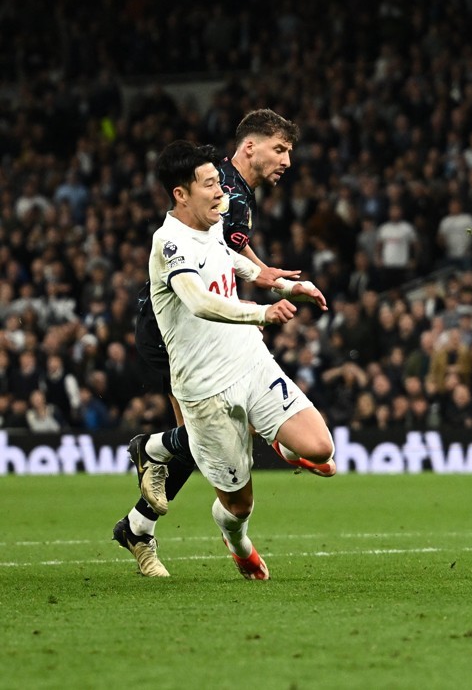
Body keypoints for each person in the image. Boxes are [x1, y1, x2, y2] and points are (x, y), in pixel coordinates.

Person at [113, 111, 329, 577]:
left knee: (211, 442)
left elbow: (224, 249)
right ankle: (152, 466)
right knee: (201, 441)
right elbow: (197, 290)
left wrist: (265, 275)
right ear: (249, 147)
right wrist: (263, 305)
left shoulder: (227, 197)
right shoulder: (214, 196)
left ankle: (138, 524)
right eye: (280, 149)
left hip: (226, 337)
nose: (288, 160)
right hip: (174, 333)